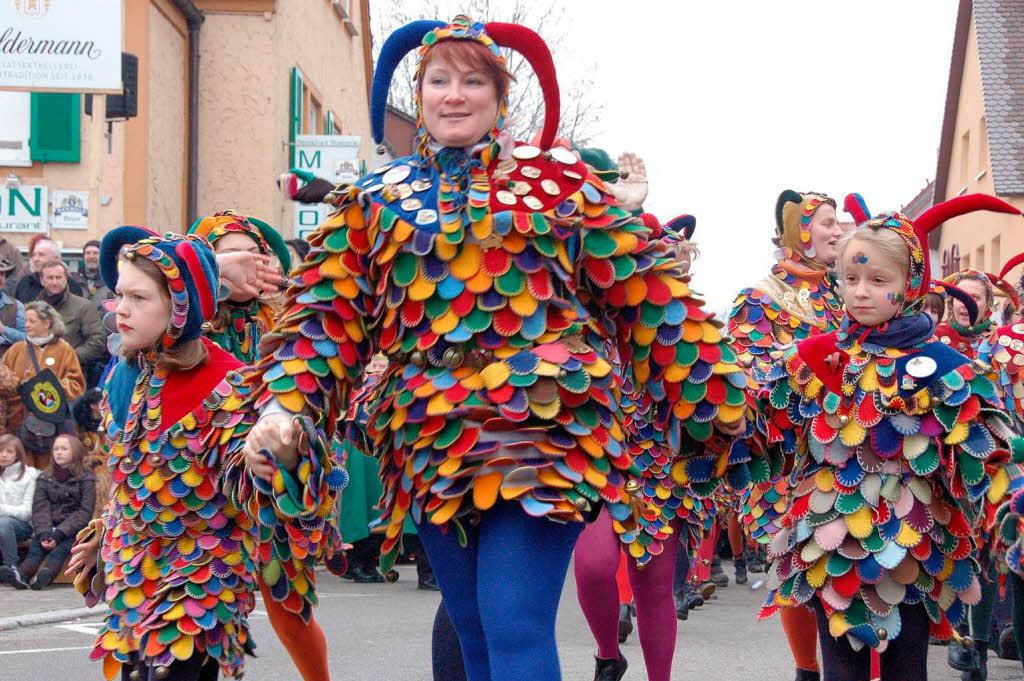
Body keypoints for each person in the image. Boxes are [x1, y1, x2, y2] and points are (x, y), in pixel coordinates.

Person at [243, 16, 750, 681]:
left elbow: (647, 289)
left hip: (541, 427)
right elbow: (324, 319)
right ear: (419, 92)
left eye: (473, 80)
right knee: (474, 630)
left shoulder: (561, 189)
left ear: (500, 97)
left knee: (513, 619)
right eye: (439, 80)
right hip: (429, 438)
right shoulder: (373, 202)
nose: (455, 95)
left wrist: (710, 389)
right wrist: (286, 403)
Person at [758, 195, 1024, 681]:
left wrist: (1010, 496)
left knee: (908, 671)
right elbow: (759, 424)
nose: (861, 293)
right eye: (851, 279)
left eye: (878, 281)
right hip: (830, 543)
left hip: (913, 546)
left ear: (910, 286)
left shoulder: (942, 367)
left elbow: (987, 450)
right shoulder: (812, 359)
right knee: (842, 673)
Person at [65, 227, 342, 681]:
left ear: (178, 308)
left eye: (139, 298)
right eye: (119, 297)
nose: (121, 311)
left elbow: (245, 480)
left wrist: (279, 460)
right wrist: (107, 526)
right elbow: (129, 473)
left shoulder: (227, 381)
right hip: (135, 567)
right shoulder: (123, 377)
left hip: (203, 571)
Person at [729, 190, 846, 681]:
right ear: (801, 229)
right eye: (826, 223)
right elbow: (745, 369)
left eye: (839, 223)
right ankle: (807, 669)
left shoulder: (846, 292)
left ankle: (850, 667)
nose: (837, 231)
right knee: (797, 565)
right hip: (788, 456)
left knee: (850, 563)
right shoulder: (759, 297)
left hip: (845, 450)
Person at [0, 300, 86, 469]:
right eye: (25, 320)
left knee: (46, 475)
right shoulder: (17, 349)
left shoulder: (64, 349)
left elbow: (77, 384)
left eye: (32, 321)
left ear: (47, 323)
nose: (27, 325)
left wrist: (52, 389)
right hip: (17, 426)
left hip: (50, 428)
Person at [18, 434, 95, 589]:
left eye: (64, 449)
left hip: (72, 530)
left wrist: (59, 533)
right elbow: (40, 509)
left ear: (75, 451)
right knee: (36, 548)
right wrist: (45, 533)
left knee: (60, 550)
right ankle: (21, 577)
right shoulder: (44, 478)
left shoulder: (87, 479)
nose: (59, 452)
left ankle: (46, 576)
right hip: (48, 526)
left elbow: (84, 512)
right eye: (56, 449)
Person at [35, 260, 107, 381]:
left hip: (70, 377)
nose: (54, 282)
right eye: (50, 278)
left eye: (58, 277)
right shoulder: (35, 308)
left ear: (66, 279)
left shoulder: (84, 307)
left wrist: (68, 357)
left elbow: (97, 341)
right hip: (37, 374)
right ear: (42, 280)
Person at [0, 434, 39, 589]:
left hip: (22, 526)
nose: (3, 455)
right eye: (1, 450)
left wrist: (2, 510)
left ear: (18, 454)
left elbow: (27, 512)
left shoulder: (30, 475)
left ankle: (12, 568)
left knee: (3, 523)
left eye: (9, 451)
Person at [14, 237, 84, 303]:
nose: (36, 259)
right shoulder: (25, 283)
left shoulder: (71, 285)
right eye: (34, 255)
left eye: (41, 255)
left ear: (56, 258)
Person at [0, 258, 26, 356]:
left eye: (2, 274)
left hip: (8, 366)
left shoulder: (17, 306)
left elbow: (26, 338)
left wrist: (3, 330)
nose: (0, 278)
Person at [73, 239, 111, 305]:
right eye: (88, 253)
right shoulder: (73, 281)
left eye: (95, 253)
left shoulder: (111, 282)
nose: (91, 256)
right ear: (83, 257)